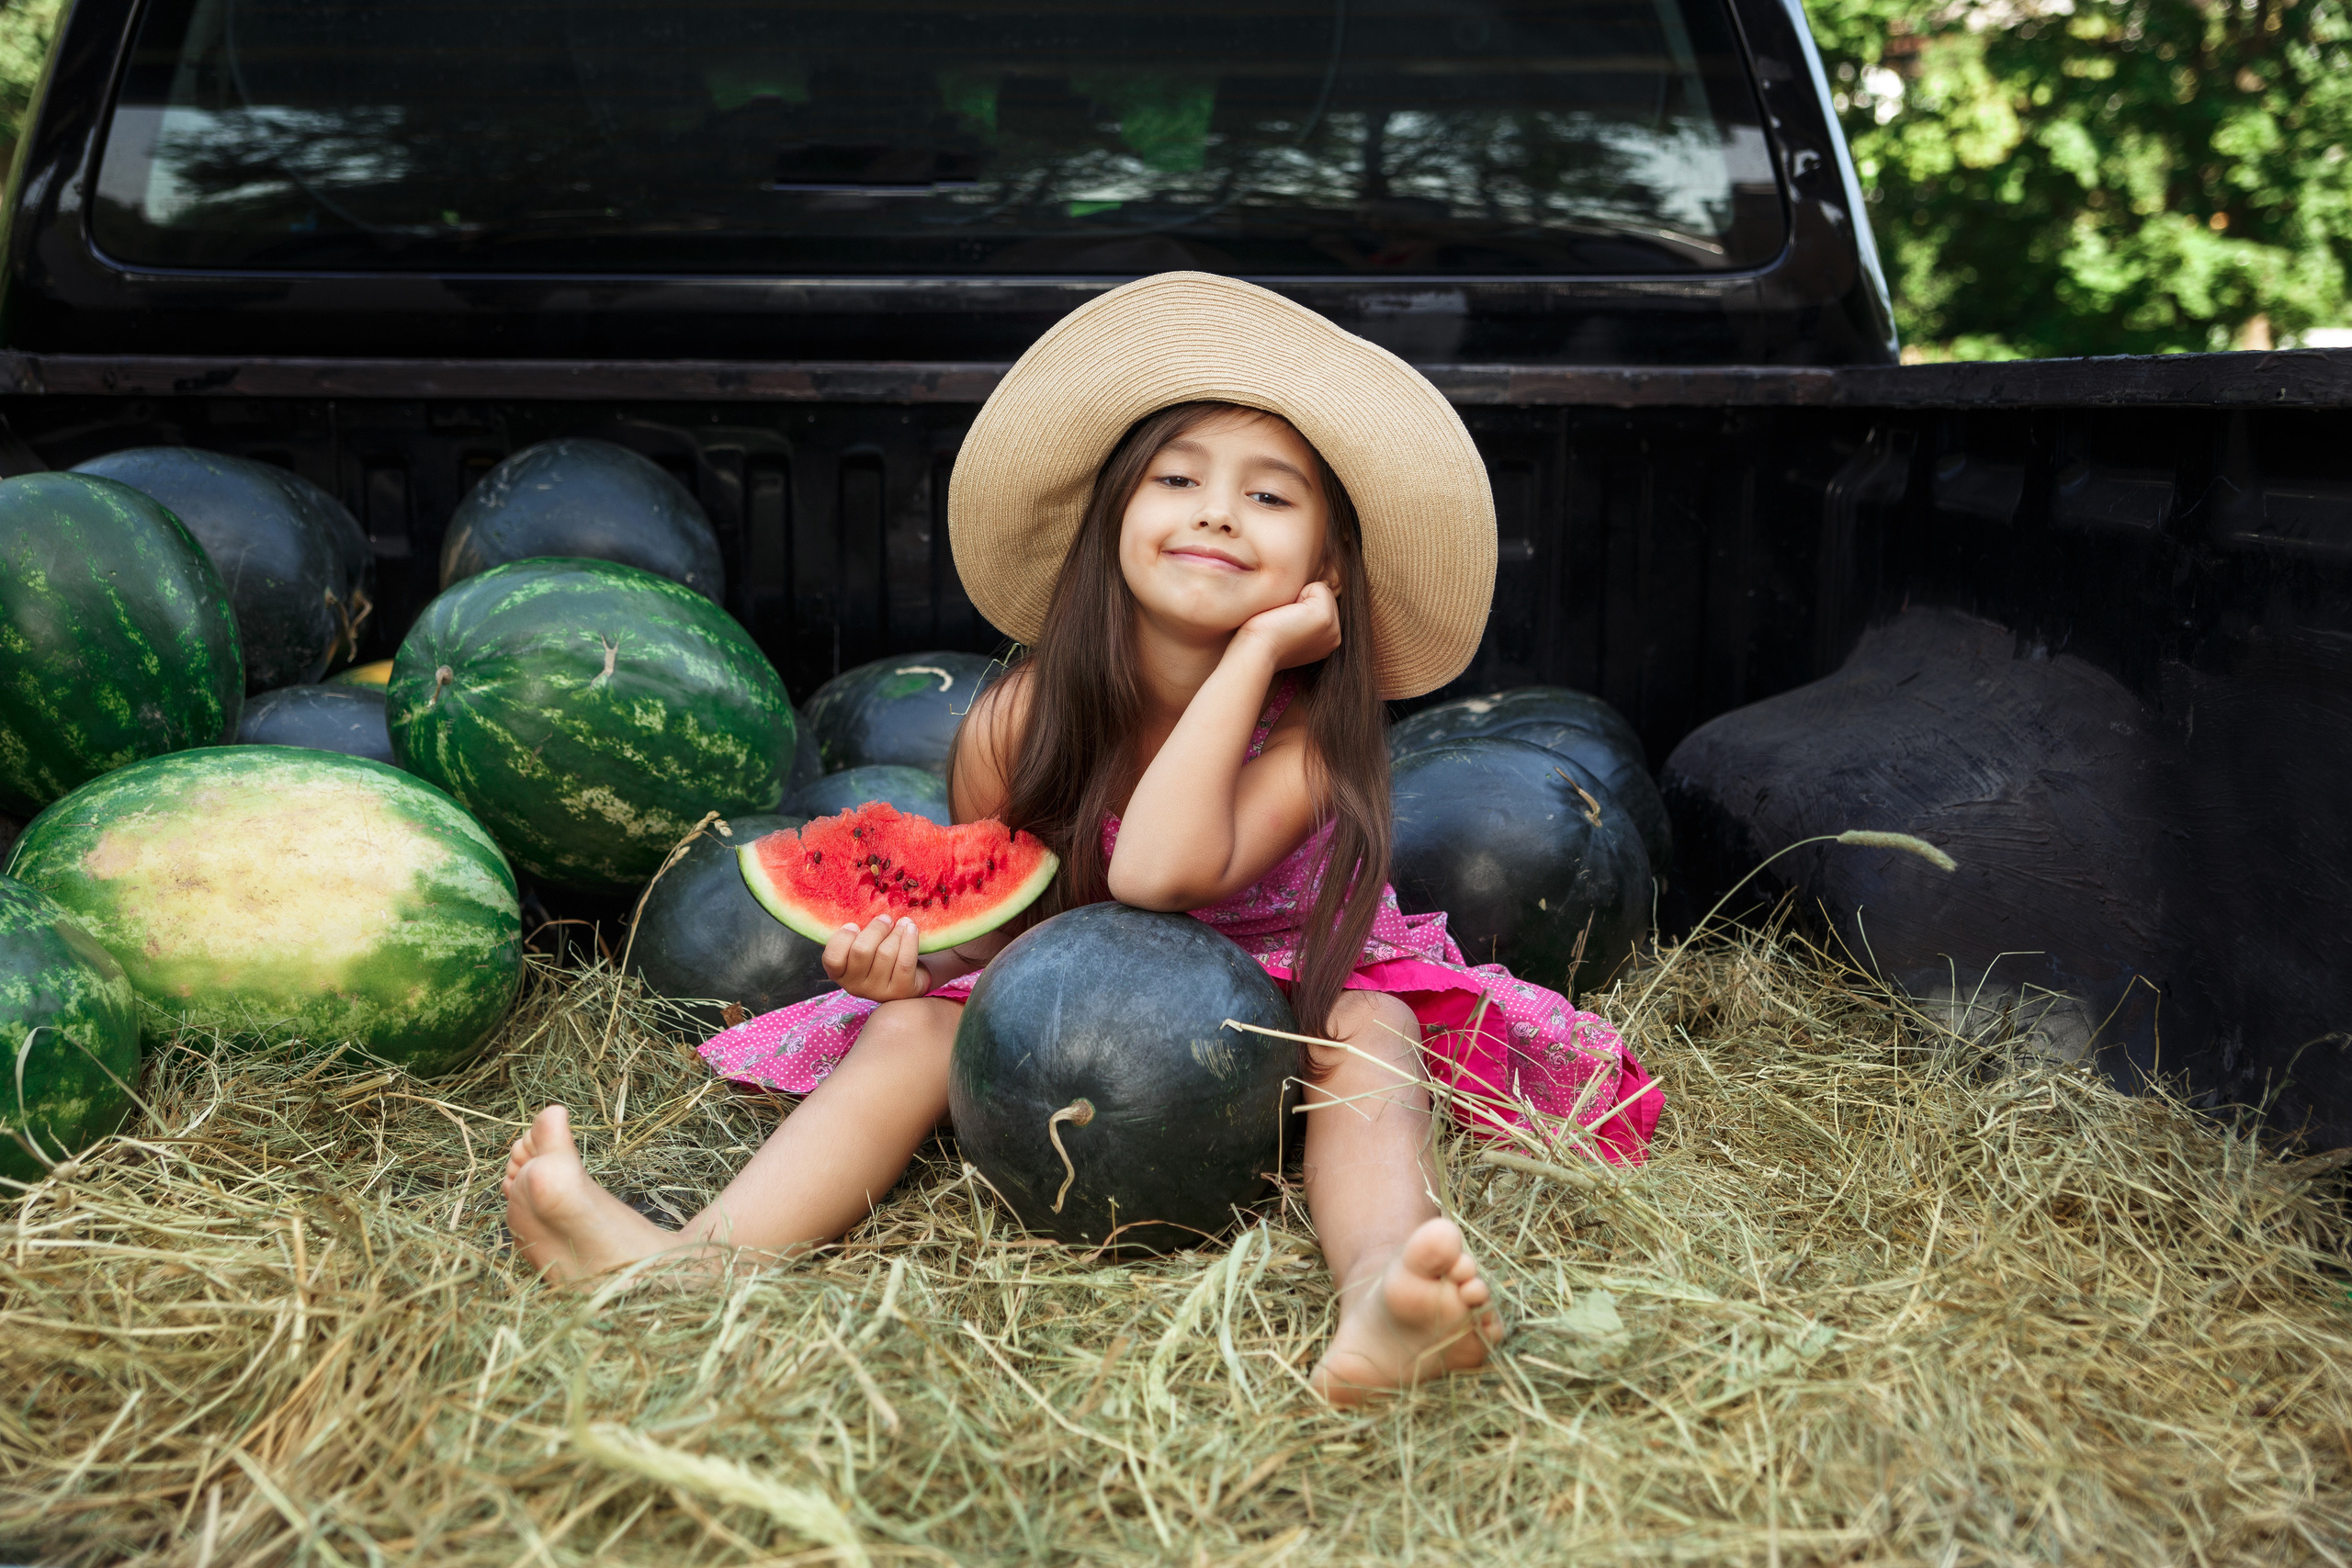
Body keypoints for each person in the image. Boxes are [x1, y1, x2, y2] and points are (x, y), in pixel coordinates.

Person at [503, 272, 1660, 1404]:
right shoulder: (1016, 718)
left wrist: (1257, 657)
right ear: (1112, 519)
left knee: (1376, 1026)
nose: (1216, 510)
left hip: (1274, 1004)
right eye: (1177, 478)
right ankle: (688, 1264)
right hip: (1066, 1013)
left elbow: (1161, 874)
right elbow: (1009, 932)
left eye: (1270, 497)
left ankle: (1379, 1290)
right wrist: (915, 965)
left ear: (1328, 571)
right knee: (906, 1032)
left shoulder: (1313, 743)